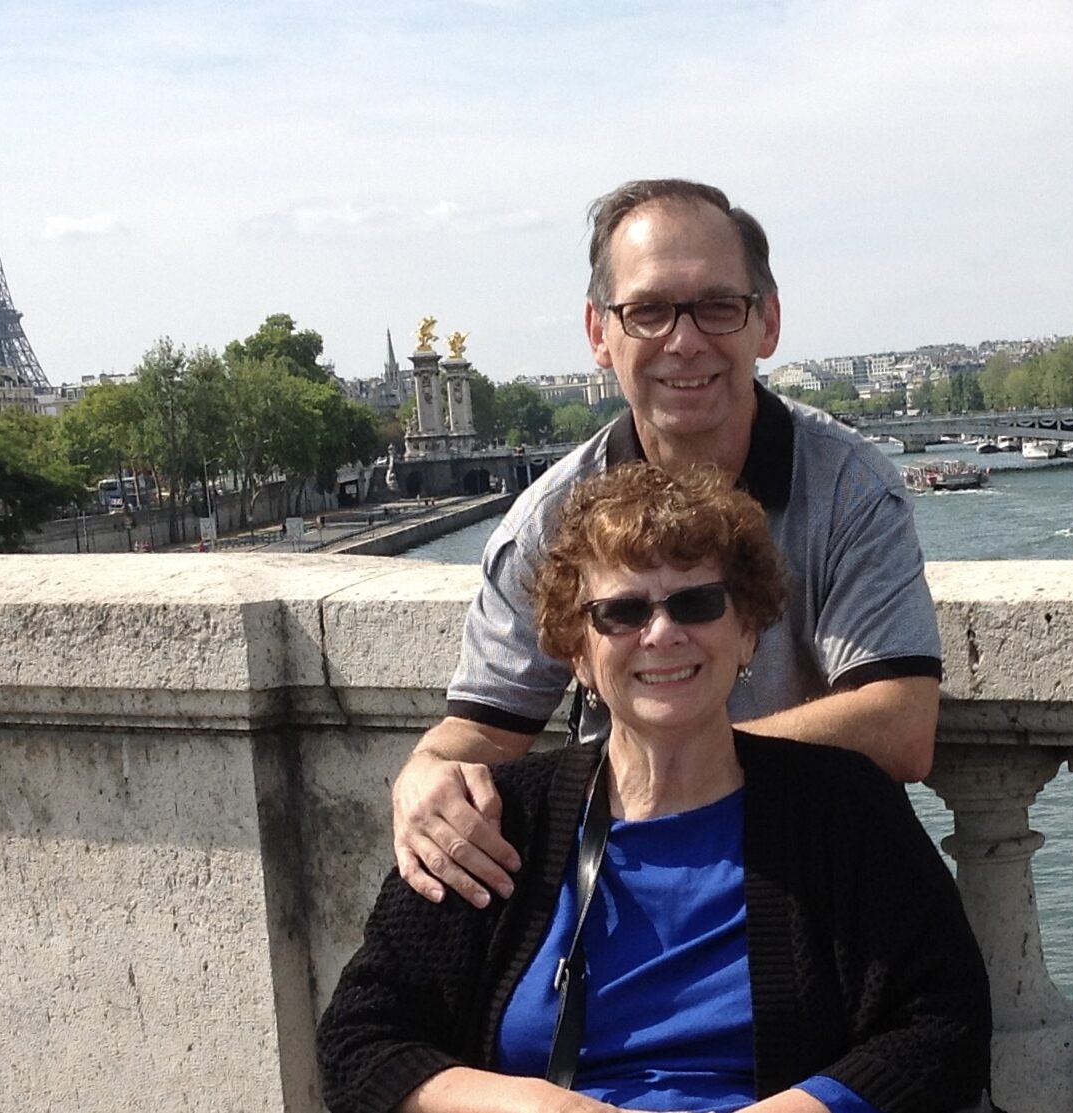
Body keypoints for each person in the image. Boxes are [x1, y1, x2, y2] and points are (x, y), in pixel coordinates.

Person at [320, 464, 991, 1113]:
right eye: (621, 611)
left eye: (696, 602)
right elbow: (359, 1042)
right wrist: (542, 1106)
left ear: (747, 631)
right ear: (577, 652)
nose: (662, 633)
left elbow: (942, 1022)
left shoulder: (841, 808)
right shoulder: (502, 820)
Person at [394, 180, 943, 909]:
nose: (684, 341)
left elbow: (900, 724)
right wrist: (424, 772)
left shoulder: (850, 489)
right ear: (600, 333)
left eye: (718, 305)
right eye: (648, 310)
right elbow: (479, 731)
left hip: (807, 876)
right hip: (626, 886)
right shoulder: (545, 518)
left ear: (766, 322)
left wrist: (675, 763)